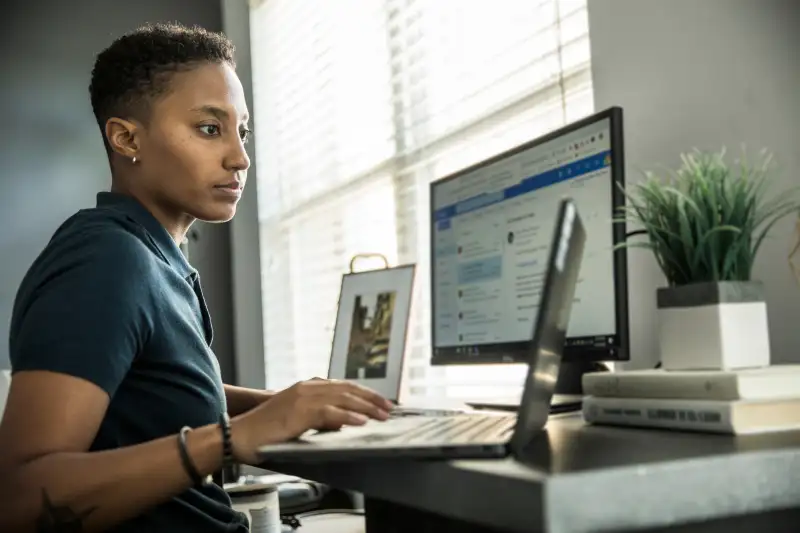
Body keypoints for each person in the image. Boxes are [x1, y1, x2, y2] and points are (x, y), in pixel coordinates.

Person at [0, 22, 392, 533]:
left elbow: (153, 389)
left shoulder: (153, 256)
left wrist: (284, 404)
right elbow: (18, 497)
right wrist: (232, 439)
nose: (240, 157)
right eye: (210, 128)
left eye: (241, 131)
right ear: (126, 138)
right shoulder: (106, 260)